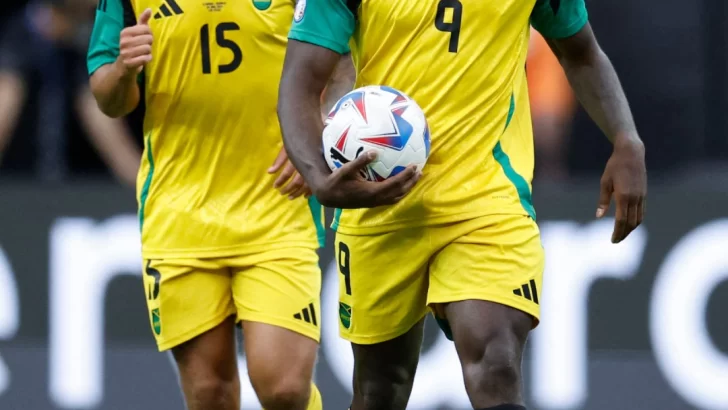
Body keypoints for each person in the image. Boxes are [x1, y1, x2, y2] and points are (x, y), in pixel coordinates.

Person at [277, 0, 647, 409]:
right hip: (378, 203)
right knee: (380, 388)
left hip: (485, 198)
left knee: (496, 365)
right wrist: (319, 179)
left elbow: (581, 51)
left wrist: (626, 139)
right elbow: (300, 80)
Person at [86, 0, 353, 409]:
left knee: (284, 388)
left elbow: (341, 59)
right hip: (179, 215)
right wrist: (125, 68)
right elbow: (109, 98)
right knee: (211, 393)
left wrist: (317, 129)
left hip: (276, 205)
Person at [0, 0, 140, 186]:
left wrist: (144, 184)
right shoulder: (18, 36)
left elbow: (99, 117)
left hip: (84, 185)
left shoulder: (94, 39)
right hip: (18, 185)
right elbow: (5, 104)